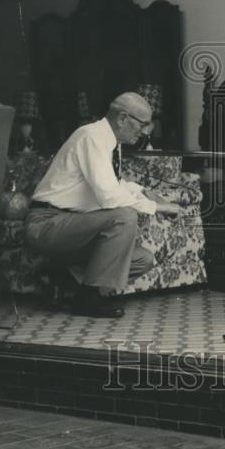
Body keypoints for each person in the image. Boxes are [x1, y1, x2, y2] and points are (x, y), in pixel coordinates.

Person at [25, 92, 180, 318]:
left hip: (74, 228)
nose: (146, 131)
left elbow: (114, 184)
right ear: (122, 119)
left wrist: (146, 193)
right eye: (143, 124)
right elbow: (109, 196)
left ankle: (63, 280)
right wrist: (156, 208)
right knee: (124, 217)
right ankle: (89, 300)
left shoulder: (110, 142)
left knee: (142, 260)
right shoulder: (91, 137)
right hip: (47, 224)